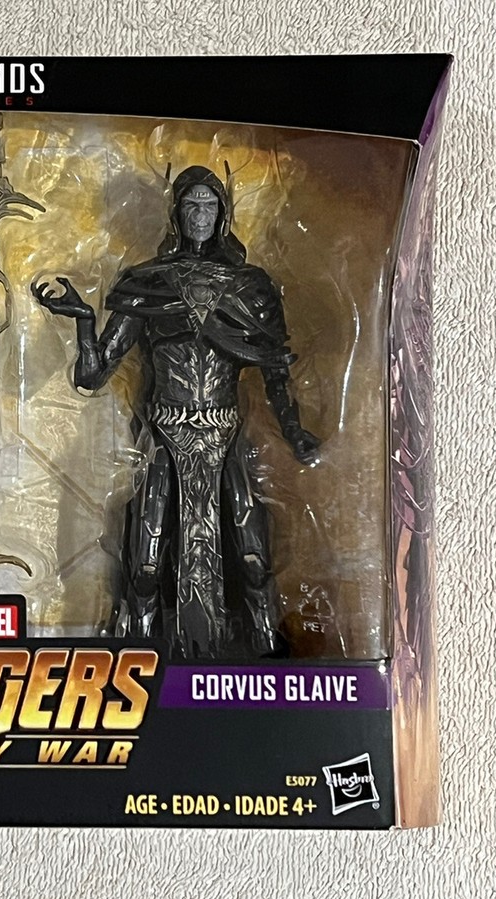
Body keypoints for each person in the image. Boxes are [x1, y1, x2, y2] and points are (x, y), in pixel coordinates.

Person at [32, 165, 318, 658]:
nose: (200, 215)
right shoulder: (148, 283)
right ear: (176, 213)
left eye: (210, 204)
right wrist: (83, 320)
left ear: (223, 213)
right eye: (191, 204)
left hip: (226, 435)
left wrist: (295, 432)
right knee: (144, 567)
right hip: (165, 434)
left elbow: (275, 370)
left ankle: (267, 660)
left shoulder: (251, 286)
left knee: (253, 561)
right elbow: (92, 377)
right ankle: (138, 661)